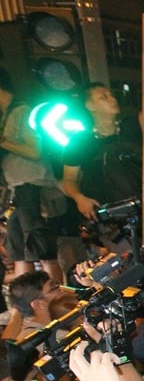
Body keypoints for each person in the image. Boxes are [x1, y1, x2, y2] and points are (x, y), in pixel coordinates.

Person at [62, 60, 144, 225]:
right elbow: (69, 180)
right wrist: (79, 198)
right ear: (89, 106)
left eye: (111, 94)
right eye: (103, 97)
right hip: (112, 217)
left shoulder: (130, 127)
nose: (112, 98)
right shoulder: (80, 141)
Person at [0, 67, 62, 282]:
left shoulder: (21, 111)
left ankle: (57, 302)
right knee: (19, 252)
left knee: (42, 250)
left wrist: (3, 141)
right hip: (17, 189)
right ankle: (24, 303)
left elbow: (34, 150)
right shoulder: (8, 114)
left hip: (31, 186)